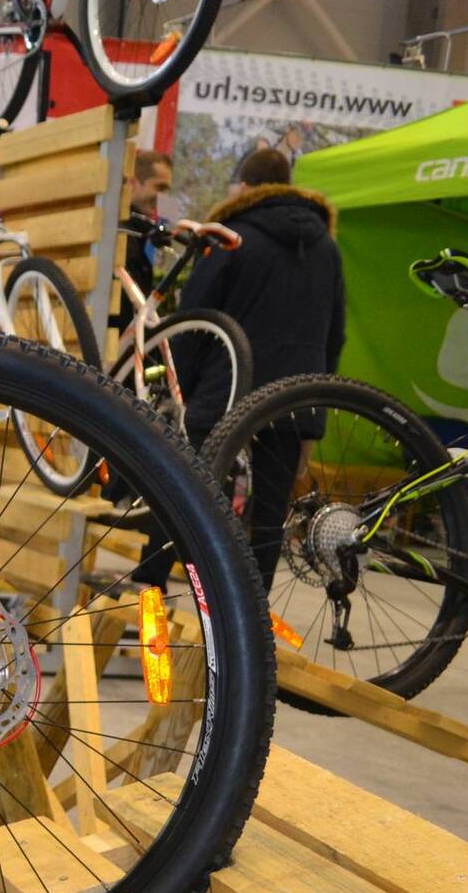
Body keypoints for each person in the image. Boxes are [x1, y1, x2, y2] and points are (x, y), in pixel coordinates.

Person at [175, 146, 345, 586]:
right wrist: (313, 415)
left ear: (245, 187)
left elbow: (194, 316)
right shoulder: (327, 248)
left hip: (226, 388)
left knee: (195, 496)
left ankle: (168, 589)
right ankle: (253, 612)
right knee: (269, 518)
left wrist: (182, 387)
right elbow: (333, 334)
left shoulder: (232, 237)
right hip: (293, 396)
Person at [113, 150, 172, 327]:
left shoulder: (148, 232)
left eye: (166, 190)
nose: (163, 197)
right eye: (159, 187)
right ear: (133, 184)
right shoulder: (118, 230)